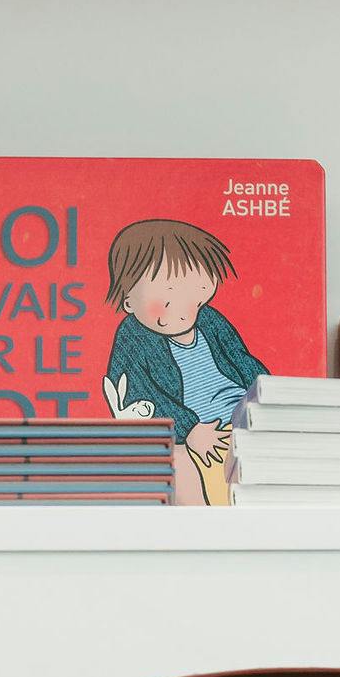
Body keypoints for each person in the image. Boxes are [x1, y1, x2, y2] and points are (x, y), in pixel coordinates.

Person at [100, 216, 266, 506]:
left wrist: (269, 398)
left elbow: (243, 362)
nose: (184, 310)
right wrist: (190, 430)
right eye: (166, 300)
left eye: (195, 296)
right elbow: (141, 395)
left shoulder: (210, 320)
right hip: (189, 434)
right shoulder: (133, 337)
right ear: (128, 302)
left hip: (241, 419)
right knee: (178, 463)